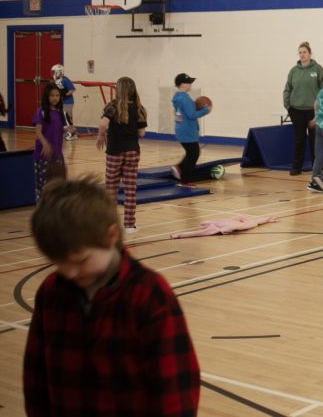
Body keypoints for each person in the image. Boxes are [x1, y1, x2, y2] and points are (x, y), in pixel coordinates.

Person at [23, 176, 200, 415]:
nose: (70, 272)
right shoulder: (52, 292)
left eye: (80, 260)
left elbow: (176, 389)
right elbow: (35, 376)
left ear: (111, 236)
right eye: (58, 262)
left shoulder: (149, 294)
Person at [96, 77, 147, 233]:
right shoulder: (139, 108)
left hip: (114, 151)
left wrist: (101, 136)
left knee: (111, 188)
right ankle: (130, 225)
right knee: (130, 189)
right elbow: (142, 133)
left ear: (118, 90)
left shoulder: (112, 106)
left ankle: (110, 224)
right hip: (132, 150)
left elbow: (103, 124)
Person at [283, 41, 323, 176]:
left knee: (315, 140)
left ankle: (316, 166)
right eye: (300, 52)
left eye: (304, 52)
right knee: (299, 139)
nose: (302, 55)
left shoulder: (317, 69)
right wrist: (288, 106)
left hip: (313, 111)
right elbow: (287, 89)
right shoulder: (293, 71)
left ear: (310, 53)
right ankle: (297, 167)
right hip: (296, 110)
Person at [171, 73, 210, 187]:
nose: (191, 84)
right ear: (182, 84)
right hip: (187, 130)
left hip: (181, 129)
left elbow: (185, 113)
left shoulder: (177, 97)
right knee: (193, 154)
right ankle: (184, 181)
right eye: (189, 82)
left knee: (191, 153)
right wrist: (206, 110)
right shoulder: (185, 99)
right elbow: (192, 115)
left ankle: (179, 168)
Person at [32, 83, 66, 200]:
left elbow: (60, 130)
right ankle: (42, 210)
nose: (55, 98)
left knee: (59, 185)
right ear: (47, 96)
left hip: (57, 155)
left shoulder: (60, 113)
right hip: (43, 155)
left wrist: (68, 129)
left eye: (57, 95)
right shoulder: (41, 111)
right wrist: (45, 143)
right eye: (52, 95)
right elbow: (38, 131)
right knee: (43, 186)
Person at [51, 64, 77, 140]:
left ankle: (73, 133)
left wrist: (64, 94)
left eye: (54, 72)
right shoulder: (57, 81)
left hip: (68, 102)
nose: (53, 74)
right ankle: (69, 132)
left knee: (67, 118)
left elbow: (72, 89)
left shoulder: (65, 80)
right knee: (63, 118)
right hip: (62, 102)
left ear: (59, 72)